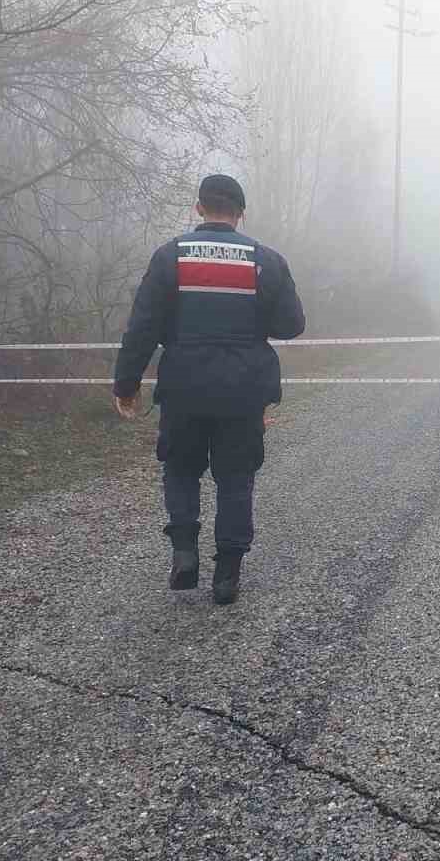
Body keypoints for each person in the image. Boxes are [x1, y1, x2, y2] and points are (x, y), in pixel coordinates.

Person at [112, 174, 306, 604]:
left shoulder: (170, 257)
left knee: (181, 470)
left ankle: (184, 553)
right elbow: (291, 326)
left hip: (183, 386)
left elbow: (142, 328)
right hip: (243, 390)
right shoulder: (267, 261)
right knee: (236, 478)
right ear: (240, 213)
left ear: (199, 208)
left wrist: (126, 383)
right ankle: (228, 575)